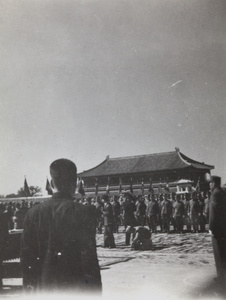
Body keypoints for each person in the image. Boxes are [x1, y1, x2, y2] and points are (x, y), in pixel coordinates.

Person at [20, 159, 102, 294]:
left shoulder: (33, 213)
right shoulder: (83, 212)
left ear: (52, 183)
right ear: (75, 184)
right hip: (75, 289)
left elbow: (26, 260)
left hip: (43, 288)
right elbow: (89, 260)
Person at [208, 176, 226, 286]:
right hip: (223, 227)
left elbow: (214, 213)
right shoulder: (222, 192)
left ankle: (221, 277)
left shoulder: (215, 194)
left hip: (217, 229)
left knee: (218, 253)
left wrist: (211, 227)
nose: (209, 185)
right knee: (223, 252)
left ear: (214, 183)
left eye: (210, 183)